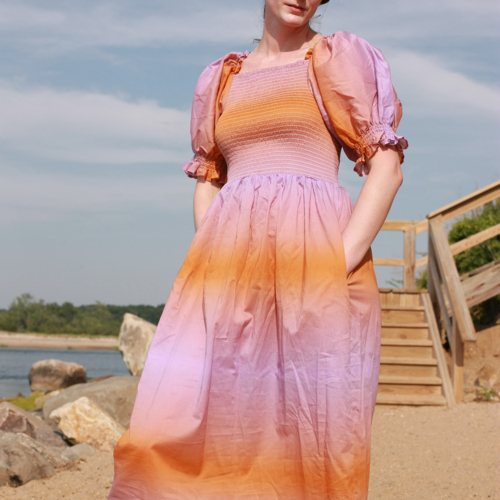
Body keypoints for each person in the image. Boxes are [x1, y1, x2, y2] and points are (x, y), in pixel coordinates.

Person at [108, 0, 407, 499]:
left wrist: (336, 262)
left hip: (316, 271)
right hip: (227, 274)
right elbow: (208, 178)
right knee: (179, 424)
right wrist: (212, 256)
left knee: (311, 435)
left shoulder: (334, 58)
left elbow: (387, 168)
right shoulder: (222, 78)